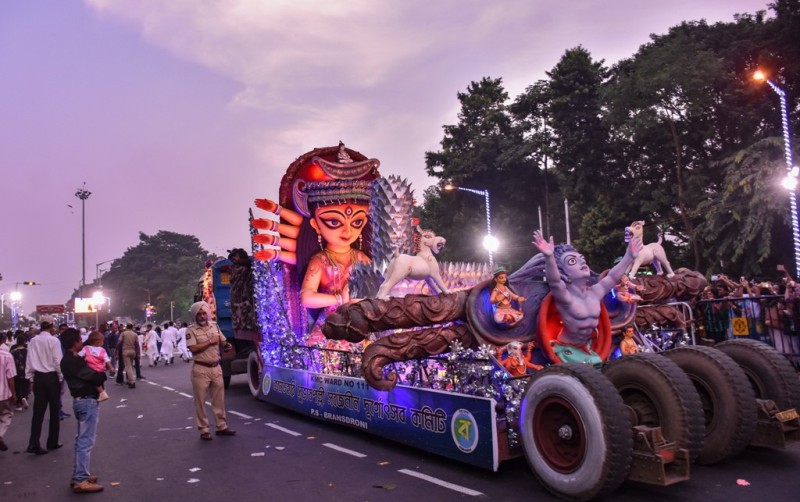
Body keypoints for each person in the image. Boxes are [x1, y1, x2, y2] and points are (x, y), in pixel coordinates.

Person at [252, 142, 379, 344]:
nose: (347, 231)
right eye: (334, 222)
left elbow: (375, 288)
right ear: (316, 225)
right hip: (331, 323)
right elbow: (307, 297)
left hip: (362, 322)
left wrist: (358, 297)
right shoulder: (320, 261)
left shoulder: (361, 258)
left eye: (357, 222)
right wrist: (339, 300)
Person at [532, 229, 642, 364]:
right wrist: (549, 257)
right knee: (593, 365)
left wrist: (629, 256)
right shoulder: (565, 297)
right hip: (566, 350)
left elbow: (613, 277)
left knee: (597, 364)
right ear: (562, 271)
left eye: (582, 259)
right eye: (572, 261)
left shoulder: (596, 292)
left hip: (587, 347)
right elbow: (554, 281)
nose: (581, 263)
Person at [60, 328, 106, 493]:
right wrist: (100, 376)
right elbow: (95, 376)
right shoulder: (74, 361)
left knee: (81, 440)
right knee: (86, 441)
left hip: (81, 400)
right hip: (87, 400)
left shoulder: (68, 359)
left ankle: (79, 475)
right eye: (80, 339)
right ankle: (81, 479)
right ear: (74, 342)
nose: (82, 342)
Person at [185, 301, 236, 441]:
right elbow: (193, 348)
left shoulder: (214, 326)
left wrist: (226, 346)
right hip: (200, 369)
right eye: (199, 314)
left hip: (216, 368)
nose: (202, 316)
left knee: (219, 400)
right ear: (195, 315)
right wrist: (210, 342)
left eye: (204, 313)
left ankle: (221, 426)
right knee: (200, 401)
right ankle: (204, 430)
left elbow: (223, 342)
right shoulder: (191, 330)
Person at [25, 317, 64, 454]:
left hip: (38, 378)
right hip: (52, 377)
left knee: (38, 412)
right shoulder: (54, 340)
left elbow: (29, 360)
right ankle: (52, 442)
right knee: (54, 411)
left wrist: (30, 378)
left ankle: (33, 443)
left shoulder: (33, 341)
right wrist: (60, 377)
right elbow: (57, 361)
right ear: (52, 327)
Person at [78, 331, 115, 402]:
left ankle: (102, 393)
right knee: (98, 383)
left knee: (95, 383)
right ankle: (102, 392)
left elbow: (79, 356)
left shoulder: (86, 348)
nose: (103, 343)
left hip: (91, 371)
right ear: (98, 342)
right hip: (101, 371)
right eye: (102, 341)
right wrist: (111, 368)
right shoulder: (102, 350)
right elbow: (107, 360)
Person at [0, 331, 17, 452]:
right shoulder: (6, 356)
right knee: (6, 414)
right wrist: (14, 394)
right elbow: (10, 377)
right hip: (3, 393)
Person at [10, 332, 29, 411]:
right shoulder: (27, 351)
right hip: (26, 371)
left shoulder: (13, 352)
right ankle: (24, 397)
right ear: (24, 341)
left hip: (16, 371)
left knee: (18, 387)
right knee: (25, 386)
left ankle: (19, 403)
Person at [116, 324, 139, 388]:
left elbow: (119, 341)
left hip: (125, 351)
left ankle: (132, 381)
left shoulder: (123, 333)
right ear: (132, 327)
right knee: (130, 366)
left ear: (126, 327)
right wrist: (138, 353)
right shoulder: (135, 334)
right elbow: (137, 344)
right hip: (132, 351)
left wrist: (116, 348)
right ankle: (129, 380)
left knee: (128, 367)